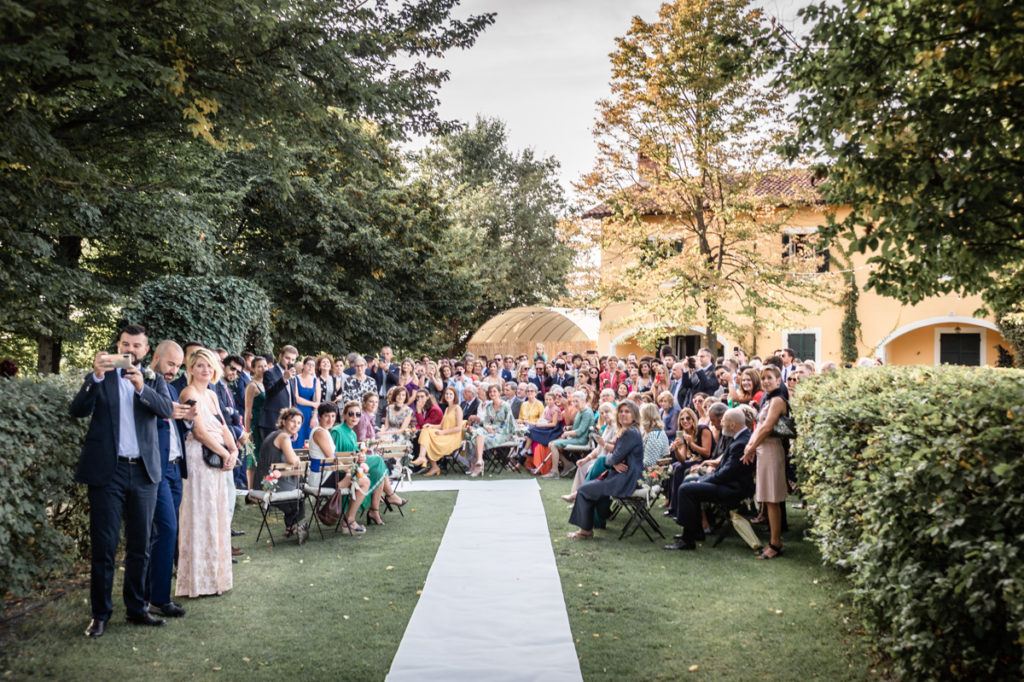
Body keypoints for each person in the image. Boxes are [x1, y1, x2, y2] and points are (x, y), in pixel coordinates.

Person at [70, 325, 175, 637]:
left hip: (144, 473)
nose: (131, 350)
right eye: (125, 344)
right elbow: (77, 410)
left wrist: (143, 388)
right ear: (118, 346)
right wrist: (96, 377)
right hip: (108, 472)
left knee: (140, 545)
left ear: (146, 350)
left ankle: (136, 609)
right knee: (104, 546)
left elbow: (167, 411)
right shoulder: (102, 377)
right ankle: (100, 614)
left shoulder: (153, 379)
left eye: (137, 345)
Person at [176, 348, 238, 598]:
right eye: (200, 365)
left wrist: (232, 450)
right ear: (190, 368)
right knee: (200, 516)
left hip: (218, 457)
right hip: (198, 458)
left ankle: (215, 579)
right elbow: (199, 431)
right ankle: (197, 582)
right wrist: (224, 454)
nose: (205, 370)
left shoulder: (212, 394)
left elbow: (223, 425)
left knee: (216, 515)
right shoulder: (188, 393)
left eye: (209, 366)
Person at [146, 340, 194, 620]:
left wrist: (187, 418)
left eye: (178, 366)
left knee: (165, 532)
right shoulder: (145, 386)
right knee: (166, 529)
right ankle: (158, 599)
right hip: (158, 468)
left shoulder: (172, 387)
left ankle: (152, 593)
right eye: (170, 364)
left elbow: (175, 425)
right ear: (155, 357)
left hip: (176, 468)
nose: (174, 370)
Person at [665, 408, 754, 551]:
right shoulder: (739, 438)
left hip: (733, 489)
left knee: (687, 489)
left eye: (723, 422)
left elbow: (726, 474)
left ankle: (688, 540)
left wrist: (702, 481)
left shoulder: (740, 442)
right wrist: (705, 477)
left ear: (732, 425)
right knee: (688, 482)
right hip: (728, 482)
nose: (719, 425)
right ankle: (696, 531)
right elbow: (724, 470)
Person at [567, 400, 644, 539]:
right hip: (623, 476)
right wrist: (613, 461)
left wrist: (612, 461)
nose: (623, 414)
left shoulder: (630, 433)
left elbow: (612, 458)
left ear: (634, 415)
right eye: (621, 411)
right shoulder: (629, 431)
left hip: (626, 479)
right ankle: (589, 527)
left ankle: (585, 531)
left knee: (584, 490)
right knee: (588, 488)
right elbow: (614, 457)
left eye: (627, 412)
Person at [742, 366, 790, 559]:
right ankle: (774, 541)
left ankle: (775, 543)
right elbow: (759, 426)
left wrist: (751, 447)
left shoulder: (778, 400)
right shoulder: (767, 399)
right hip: (763, 450)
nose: (766, 381)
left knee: (772, 500)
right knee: (767, 499)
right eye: (763, 379)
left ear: (779, 380)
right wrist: (750, 445)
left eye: (770, 378)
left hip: (771, 450)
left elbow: (768, 427)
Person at [255, 407, 309, 543]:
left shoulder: (276, 434)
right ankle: (292, 525)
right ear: (284, 421)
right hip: (272, 485)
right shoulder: (283, 437)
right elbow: (292, 460)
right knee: (303, 488)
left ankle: (290, 526)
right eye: (292, 421)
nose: (295, 425)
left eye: (298, 423)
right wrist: (297, 459)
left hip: (262, 482)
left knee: (298, 481)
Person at [562, 401, 617, 504]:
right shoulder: (607, 428)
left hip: (607, 461)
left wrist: (603, 443)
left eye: (607, 412)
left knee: (589, 468)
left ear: (613, 412)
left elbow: (616, 449)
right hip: (600, 457)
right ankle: (577, 501)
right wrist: (586, 458)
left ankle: (578, 497)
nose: (604, 415)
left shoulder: (616, 428)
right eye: (602, 413)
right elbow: (598, 448)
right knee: (581, 466)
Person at [413, 386, 464, 476]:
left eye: (450, 394)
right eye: (447, 394)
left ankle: (425, 459)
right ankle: (427, 461)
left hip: (453, 437)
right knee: (426, 430)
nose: (448, 396)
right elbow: (442, 426)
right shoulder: (448, 409)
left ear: (455, 395)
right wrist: (431, 425)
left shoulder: (457, 408)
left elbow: (459, 428)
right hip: (445, 434)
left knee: (428, 436)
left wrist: (443, 432)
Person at [468, 384, 517, 477]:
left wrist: (497, 431)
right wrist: (488, 428)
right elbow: (486, 422)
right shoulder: (488, 406)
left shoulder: (505, 405)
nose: (492, 393)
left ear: (499, 393)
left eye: (494, 391)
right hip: (490, 430)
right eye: (490, 392)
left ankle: (479, 466)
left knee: (480, 439)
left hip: (503, 432)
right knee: (479, 432)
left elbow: (509, 423)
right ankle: (479, 461)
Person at [546, 390, 595, 479]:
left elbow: (580, 432)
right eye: (574, 401)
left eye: (577, 401)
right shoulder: (580, 410)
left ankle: (555, 472)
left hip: (582, 440)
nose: (575, 404)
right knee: (551, 444)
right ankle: (568, 464)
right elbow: (577, 427)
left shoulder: (587, 412)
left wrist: (566, 433)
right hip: (577, 438)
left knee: (553, 445)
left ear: (583, 401)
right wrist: (569, 428)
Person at [258, 345, 298, 444]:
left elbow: (291, 401)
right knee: (271, 456)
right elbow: (270, 393)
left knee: (283, 457)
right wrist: (284, 379)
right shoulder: (269, 373)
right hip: (271, 421)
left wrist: (294, 425)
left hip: (287, 423)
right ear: (280, 356)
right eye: (287, 358)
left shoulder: (292, 376)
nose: (290, 362)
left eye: (293, 360)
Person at [243, 354, 269, 491]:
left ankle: (262, 487)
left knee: (263, 457)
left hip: (266, 423)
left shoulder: (267, 382)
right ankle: (251, 490)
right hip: (255, 424)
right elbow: (247, 411)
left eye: (265, 366)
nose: (263, 369)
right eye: (259, 366)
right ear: (253, 369)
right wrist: (248, 432)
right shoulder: (252, 386)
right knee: (252, 457)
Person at [290, 356, 319, 447]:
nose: (310, 367)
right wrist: (312, 403)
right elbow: (297, 398)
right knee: (297, 437)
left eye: (313, 365)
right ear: (303, 365)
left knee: (309, 438)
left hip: (310, 414)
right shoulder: (296, 379)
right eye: (308, 365)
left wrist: (314, 417)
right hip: (298, 411)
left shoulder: (316, 381)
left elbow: (317, 402)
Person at [639, 402, 670, 467]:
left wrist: (630, 462)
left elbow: (650, 463)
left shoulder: (655, 436)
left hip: (649, 474)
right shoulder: (647, 432)